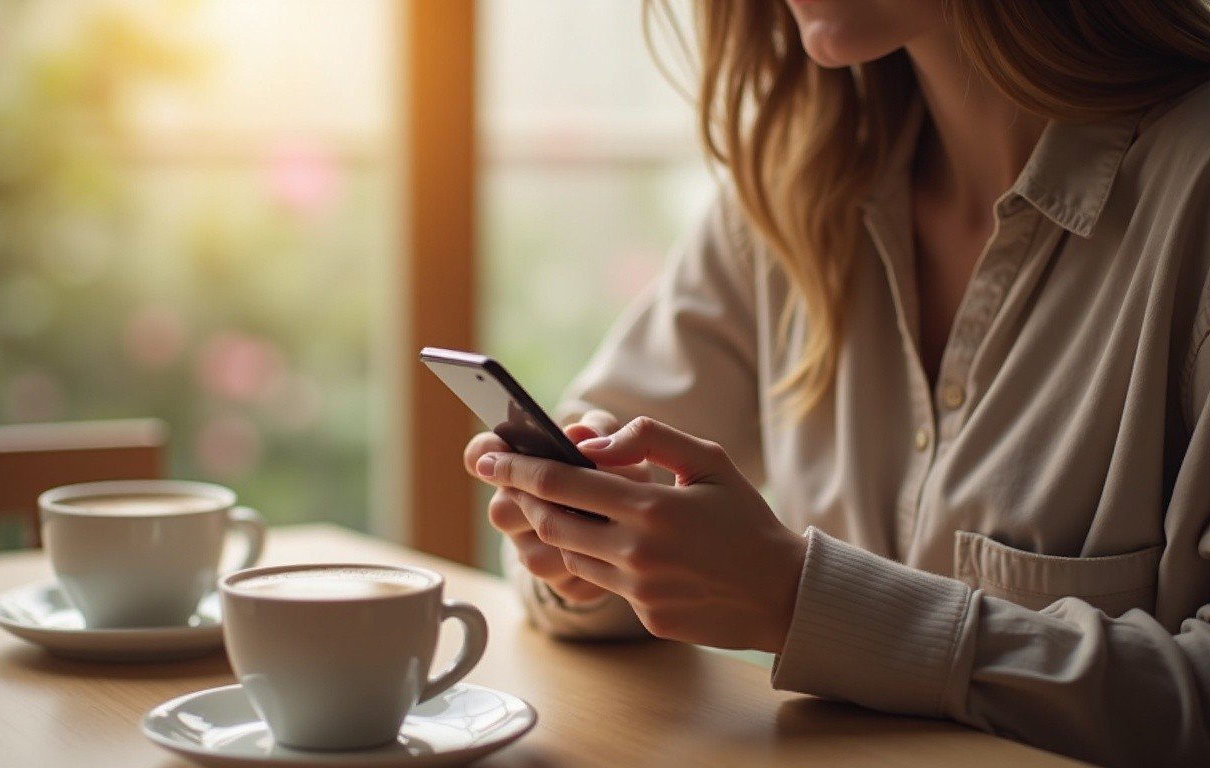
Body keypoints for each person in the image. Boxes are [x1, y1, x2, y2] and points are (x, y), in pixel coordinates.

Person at [462, 1, 1210, 765]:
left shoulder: (1193, 196)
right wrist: (586, 551)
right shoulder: (794, 189)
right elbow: (601, 465)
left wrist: (797, 602)